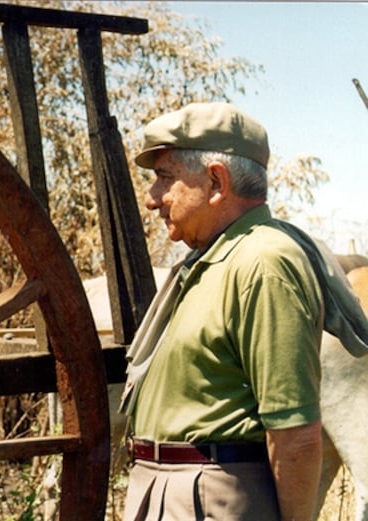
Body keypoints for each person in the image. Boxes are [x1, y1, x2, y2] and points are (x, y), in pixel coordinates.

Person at [120, 102, 324, 521]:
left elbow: (295, 437)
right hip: (172, 493)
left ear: (216, 181)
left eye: (165, 179)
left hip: (209, 502)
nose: (151, 199)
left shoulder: (264, 263)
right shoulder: (213, 260)